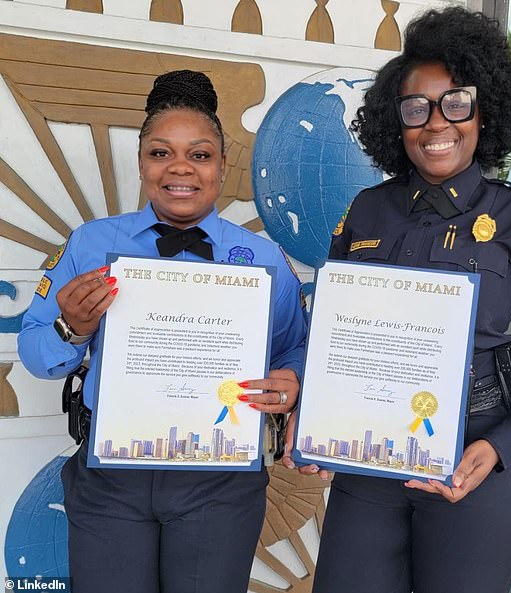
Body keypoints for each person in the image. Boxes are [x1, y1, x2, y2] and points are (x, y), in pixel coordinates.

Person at [282, 7, 511, 593]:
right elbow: (335, 335)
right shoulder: (367, 212)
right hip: (372, 461)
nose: (437, 124)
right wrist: (315, 418)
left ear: (484, 109)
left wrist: (500, 446)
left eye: (455, 102)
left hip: (481, 457)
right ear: (396, 121)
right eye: (416, 109)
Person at [18, 70, 306, 593]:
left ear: (222, 166)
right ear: (142, 163)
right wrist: (71, 327)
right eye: (160, 153)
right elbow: (37, 352)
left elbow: (296, 346)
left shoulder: (261, 257)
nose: (180, 168)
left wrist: (293, 383)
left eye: (199, 155)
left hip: (220, 484)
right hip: (111, 481)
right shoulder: (89, 245)